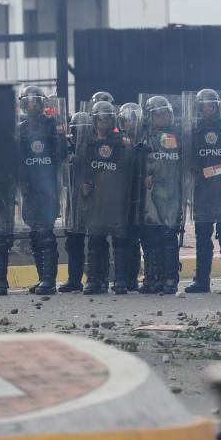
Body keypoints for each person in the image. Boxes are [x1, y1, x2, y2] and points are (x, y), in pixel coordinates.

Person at [185, 89, 221, 294]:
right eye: (205, 106)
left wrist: (212, 171)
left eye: (212, 105)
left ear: (218, 107)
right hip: (202, 192)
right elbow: (190, 161)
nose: (208, 109)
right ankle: (201, 280)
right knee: (202, 238)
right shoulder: (194, 131)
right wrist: (194, 171)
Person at [78, 100, 135, 295]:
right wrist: (84, 185)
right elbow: (82, 168)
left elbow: (129, 167)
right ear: (94, 120)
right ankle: (94, 280)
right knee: (94, 242)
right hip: (95, 199)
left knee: (119, 244)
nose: (105, 121)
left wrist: (129, 147)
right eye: (102, 118)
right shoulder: (88, 143)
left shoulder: (122, 143)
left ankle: (120, 281)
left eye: (109, 118)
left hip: (117, 198)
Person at [17, 85, 64, 295]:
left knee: (46, 233)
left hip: (47, 185)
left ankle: (49, 280)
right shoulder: (21, 128)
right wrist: (22, 181)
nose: (33, 104)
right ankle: (41, 278)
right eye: (29, 101)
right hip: (30, 186)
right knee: (35, 234)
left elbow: (60, 154)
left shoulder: (52, 125)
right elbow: (17, 159)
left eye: (37, 101)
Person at [139, 95, 184, 295]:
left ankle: (171, 278)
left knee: (168, 236)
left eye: (166, 113)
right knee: (150, 237)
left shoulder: (176, 136)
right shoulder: (143, 136)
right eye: (158, 114)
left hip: (171, 192)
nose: (163, 117)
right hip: (149, 194)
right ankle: (152, 277)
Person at [59, 110, 91, 293]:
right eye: (76, 129)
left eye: (83, 129)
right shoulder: (68, 149)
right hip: (73, 200)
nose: (79, 133)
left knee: (95, 241)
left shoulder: (93, 147)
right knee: (73, 241)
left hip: (91, 199)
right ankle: (74, 279)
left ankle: (96, 278)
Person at [116, 102, 145, 292]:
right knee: (121, 240)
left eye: (135, 119)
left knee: (137, 240)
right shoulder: (116, 141)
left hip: (141, 196)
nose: (131, 123)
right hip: (120, 196)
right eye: (128, 120)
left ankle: (134, 278)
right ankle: (121, 279)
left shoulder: (146, 141)